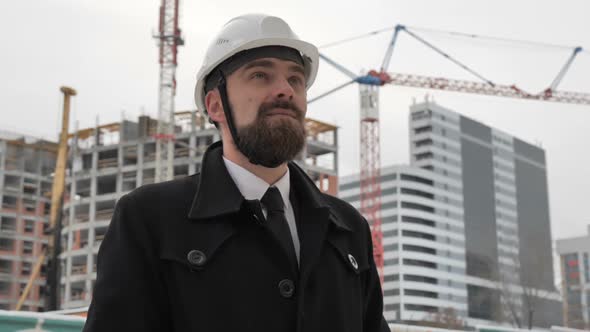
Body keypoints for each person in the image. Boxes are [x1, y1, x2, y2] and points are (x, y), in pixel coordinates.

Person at [83, 13, 390, 332]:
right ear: (215, 105)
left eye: (295, 79)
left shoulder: (349, 229)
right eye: (261, 75)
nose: (285, 90)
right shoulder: (149, 219)